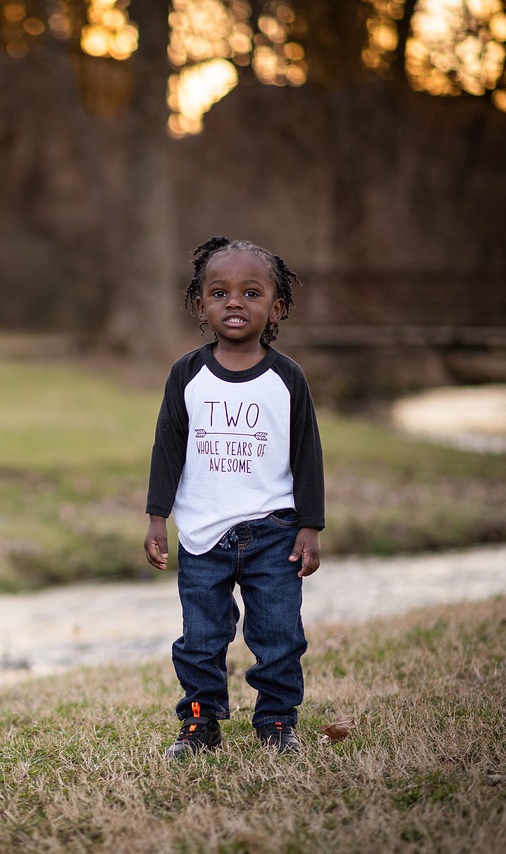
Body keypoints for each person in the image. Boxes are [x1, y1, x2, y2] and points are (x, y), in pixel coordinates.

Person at [144, 235, 324, 759]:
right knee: (200, 639)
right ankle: (199, 723)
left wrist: (310, 526)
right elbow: (167, 448)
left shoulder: (287, 378)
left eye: (250, 292)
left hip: (275, 531)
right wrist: (158, 518)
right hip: (203, 535)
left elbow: (308, 454)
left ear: (277, 306)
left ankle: (276, 720)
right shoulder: (188, 374)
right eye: (219, 292)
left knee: (279, 634)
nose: (234, 302)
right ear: (201, 304)